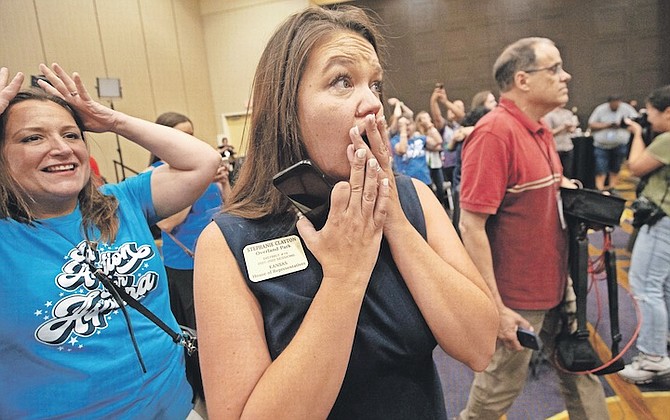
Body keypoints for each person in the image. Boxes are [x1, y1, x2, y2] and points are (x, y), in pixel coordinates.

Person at [193, 6, 498, 419]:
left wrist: (394, 221)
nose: (372, 102)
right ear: (288, 108)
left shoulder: (415, 199)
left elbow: (480, 347)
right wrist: (344, 278)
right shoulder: (230, 242)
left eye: (375, 84)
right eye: (342, 81)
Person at [0, 64, 220, 418]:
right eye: (32, 138)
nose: (61, 148)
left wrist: (112, 119)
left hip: (178, 407)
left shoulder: (123, 203)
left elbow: (203, 161)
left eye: (72, 135)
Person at [458, 37, 609, 419]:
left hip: (559, 285)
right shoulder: (494, 134)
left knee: (582, 372)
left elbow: (540, 196)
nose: (566, 75)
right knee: (494, 396)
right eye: (555, 68)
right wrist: (497, 307)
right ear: (523, 80)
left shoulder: (539, 130)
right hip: (518, 297)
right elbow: (471, 225)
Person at [148, 111, 231, 407]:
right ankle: (206, 389)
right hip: (185, 264)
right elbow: (166, 223)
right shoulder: (160, 172)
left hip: (217, 257)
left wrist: (221, 182)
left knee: (225, 327)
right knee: (200, 333)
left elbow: (227, 207)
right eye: (182, 135)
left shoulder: (203, 168)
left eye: (192, 133)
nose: (190, 141)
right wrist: (194, 185)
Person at [618, 85, 670, 385]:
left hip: (662, 220)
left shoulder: (665, 140)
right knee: (662, 285)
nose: (648, 119)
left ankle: (652, 358)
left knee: (644, 284)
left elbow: (636, 167)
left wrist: (637, 135)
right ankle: (660, 338)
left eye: (651, 113)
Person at [588, 95, 638, 191]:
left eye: (617, 102)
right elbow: (591, 124)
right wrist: (608, 125)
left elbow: (635, 122)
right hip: (601, 146)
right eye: (613, 103)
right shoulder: (600, 109)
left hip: (619, 145)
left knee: (616, 168)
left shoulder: (627, 108)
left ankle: (612, 188)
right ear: (609, 103)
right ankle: (600, 189)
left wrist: (623, 124)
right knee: (600, 168)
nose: (616, 104)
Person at [545, 104, 579, 178]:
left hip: (567, 146)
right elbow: (548, 133)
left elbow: (572, 130)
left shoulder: (568, 113)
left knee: (568, 172)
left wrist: (571, 127)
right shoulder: (549, 114)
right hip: (555, 148)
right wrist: (563, 127)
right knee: (555, 172)